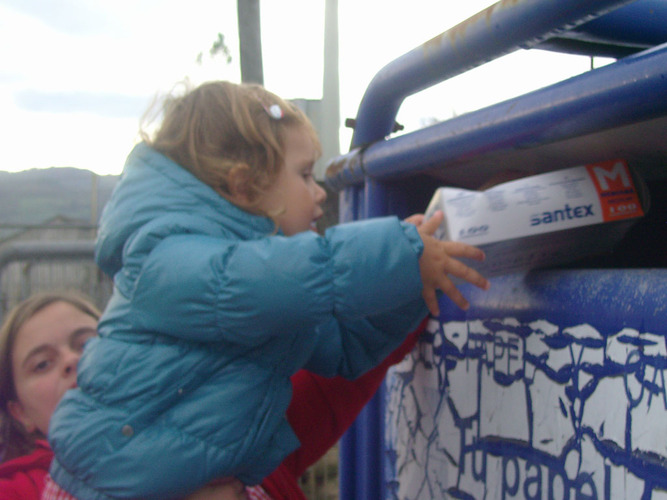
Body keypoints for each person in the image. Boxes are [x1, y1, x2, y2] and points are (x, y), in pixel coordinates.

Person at [47, 80, 490, 499]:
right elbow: (281, 276)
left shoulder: (266, 289)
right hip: (97, 487)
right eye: (304, 175)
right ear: (244, 184)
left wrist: (409, 284)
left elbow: (345, 345)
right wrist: (396, 251)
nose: (319, 193)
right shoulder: (173, 261)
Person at [0, 291, 426, 500]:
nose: (72, 361)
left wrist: (410, 260)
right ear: (19, 412)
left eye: (84, 340)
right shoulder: (19, 490)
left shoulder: (235, 421)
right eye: (41, 363)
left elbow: (360, 348)